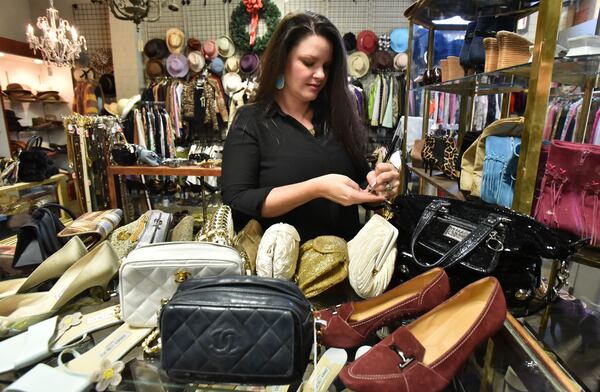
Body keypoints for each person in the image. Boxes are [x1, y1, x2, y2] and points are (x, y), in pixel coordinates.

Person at [222, 11, 400, 242]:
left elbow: (360, 179)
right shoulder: (252, 120)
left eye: (327, 66)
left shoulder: (336, 117)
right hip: (283, 270)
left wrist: (380, 184)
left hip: (346, 265)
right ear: (282, 60)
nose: (320, 75)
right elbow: (237, 200)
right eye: (308, 63)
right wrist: (315, 189)